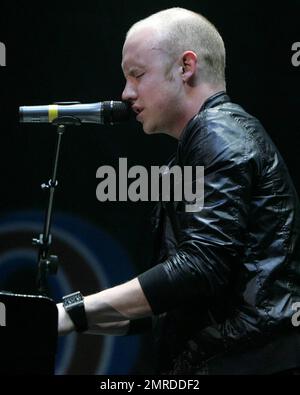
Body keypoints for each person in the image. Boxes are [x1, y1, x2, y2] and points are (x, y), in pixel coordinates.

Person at [57, 7, 300, 375]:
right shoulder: (198, 148)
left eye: (137, 75)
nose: (125, 93)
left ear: (186, 67)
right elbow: (182, 299)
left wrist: (74, 311)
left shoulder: (220, 134)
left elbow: (199, 267)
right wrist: (74, 317)